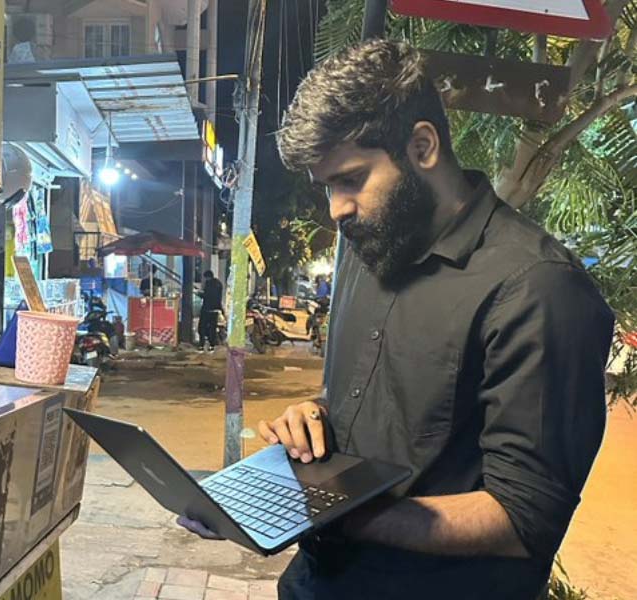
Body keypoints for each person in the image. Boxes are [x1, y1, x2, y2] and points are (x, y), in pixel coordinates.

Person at [178, 40, 613, 599]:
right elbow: (373, 404)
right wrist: (313, 416)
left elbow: (524, 517)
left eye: (351, 179)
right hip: (315, 585)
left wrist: (326, 512)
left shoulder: (539, 289)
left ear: (423, 146)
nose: (336, 209)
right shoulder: (368, 249)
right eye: (327, 186)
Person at [198, 270, 224, 351]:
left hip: (207, 309)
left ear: (207, 277)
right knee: (212, 328)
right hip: (216, 309)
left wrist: (199, 294)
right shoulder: (219, 284)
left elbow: (207, 295)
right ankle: (211, 345)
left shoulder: (209, 284)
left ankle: (201, 345)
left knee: (202, 327)